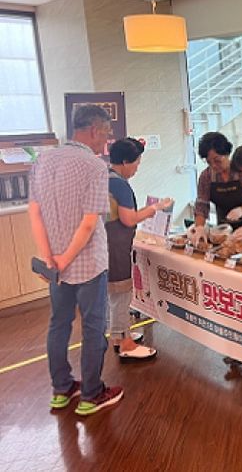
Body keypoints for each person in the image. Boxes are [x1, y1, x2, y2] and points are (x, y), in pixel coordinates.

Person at [28, 104, 123, 415]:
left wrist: (50, 258)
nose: (106, 141)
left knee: (59, 324)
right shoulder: (94, 166)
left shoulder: (42, 160)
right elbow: (88, 223)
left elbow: (35, 213)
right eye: (106, 134)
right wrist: (67, 258)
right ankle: (92, 394)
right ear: (94, 130)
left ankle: (62, 388)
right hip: (88, 264)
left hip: (55, 265)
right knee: (94, 327)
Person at [107, 137, 173, 361]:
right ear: (126, 161)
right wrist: (155, 208)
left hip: (105, 244)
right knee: (121, 292)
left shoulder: (104, 177)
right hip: (116, 245)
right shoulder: (119, 184)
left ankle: (119, 336)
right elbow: (129, 219)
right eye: (136, 163)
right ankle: (125, 344)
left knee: (114, 293)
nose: (136, 168)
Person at [190, 132, 242, 244]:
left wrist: (241, 210)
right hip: (224, 229)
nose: (213, 166)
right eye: (209, 162)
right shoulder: (206, 177)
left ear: (227, 153)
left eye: (217, 160)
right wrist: (199, 227)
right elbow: (202, 205)